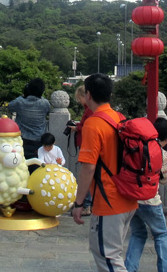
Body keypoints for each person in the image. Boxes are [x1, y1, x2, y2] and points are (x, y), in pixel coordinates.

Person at [72, 73, 137, 272]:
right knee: (113, 254)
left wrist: (79, 203)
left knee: (107, 257)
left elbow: (88, 168)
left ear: (88, 94)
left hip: (109, 200)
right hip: (128, 198)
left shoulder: (93, 124)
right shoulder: (120, 117)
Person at [125, 117, 167, 272]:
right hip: (150, 201)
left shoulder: (136, 148)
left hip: (131, 199)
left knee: (138, 233)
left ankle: (129, 268)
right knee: (161, 234)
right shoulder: (161, 154)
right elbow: (163, 181)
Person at [8, 78, 50, 173]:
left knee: (21, 168)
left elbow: (10, 106)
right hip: (38, 141)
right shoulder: (45, 103)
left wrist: (23, 96)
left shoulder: (20, 102)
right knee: (36, 169)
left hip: (22, 140)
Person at [69, 85, 93, 216]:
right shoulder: (89, 110)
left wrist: (76, 128)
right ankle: (89, 203)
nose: (78, 101)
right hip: (85, 144)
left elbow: (88, 128)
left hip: (87, 146)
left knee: (87, 174)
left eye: (79, 98)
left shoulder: (90, 111)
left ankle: (86, 204)